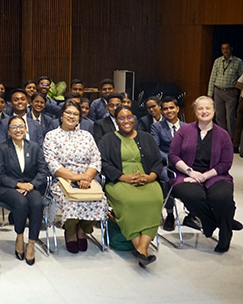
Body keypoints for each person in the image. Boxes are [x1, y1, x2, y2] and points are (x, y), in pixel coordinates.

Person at [169, 96, 239, 253]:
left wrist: (204, 176)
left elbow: (225, 163)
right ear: (195, 111)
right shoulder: (184, 131)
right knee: (192, 195)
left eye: (208, 108)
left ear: (214, 111)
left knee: (222, 197)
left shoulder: (223, 135)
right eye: (200, 108)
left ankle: (225, 234)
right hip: (186, 174)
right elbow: (173, 155)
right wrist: (190, 172)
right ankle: (219, 222)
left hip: (216, 175)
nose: (204, 111)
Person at [98, 106, 163, 267]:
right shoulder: (108, 139)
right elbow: (104, 163)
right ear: (116, 121)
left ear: (134, 119)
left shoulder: (147, 138)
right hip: (119, 181)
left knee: (154, 200)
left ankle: (141, 249)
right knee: (129, 202)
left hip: (146, 179)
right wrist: (124, 177)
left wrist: (150, 177)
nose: (126, 121)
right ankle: (141, 249)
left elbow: (157, 161)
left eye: (129, 117)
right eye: (121, 118)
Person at [43, 100, 107, 254]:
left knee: (99, 199)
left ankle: (83, 228)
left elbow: (96, 159)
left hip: (88, 178)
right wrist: (75, 178)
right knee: (71, 200)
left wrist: (87, 177)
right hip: (63, 179)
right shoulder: (52, 136)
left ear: (80, 117)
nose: (72, 116)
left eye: (75, 114)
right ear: (62, 115)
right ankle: (70, 230)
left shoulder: (87, 136)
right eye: (68, 113)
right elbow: (52, 163)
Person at [0, 115, 48, 265]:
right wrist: (18, 185)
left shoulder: (35, 147)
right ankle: (19, 235)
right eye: (14, 127)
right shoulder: (3, 148)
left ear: (26, 128)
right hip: (6, 187)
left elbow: (43, 171)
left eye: (21, 126)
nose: (18, 130)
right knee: (21, 203)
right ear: (8, 131)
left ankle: (31, 243)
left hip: (30, 186)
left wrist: (32, 185)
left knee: (37, 204)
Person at [151, 96, 186, 231]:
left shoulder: (186, 127)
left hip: (185, 164)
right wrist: (174, 160)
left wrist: (183, 163)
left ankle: (193, 213)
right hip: (165, 163)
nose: (169, 111)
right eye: (165, 109)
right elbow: (155, 148)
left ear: (177, 109)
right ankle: (170, 213)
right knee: (167, 178)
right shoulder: (157, 127)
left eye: (171, 108)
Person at [208, 43, 243, 137]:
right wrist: (210, 94)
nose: (225, 50)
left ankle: (231, 138)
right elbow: (212, 77)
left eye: (227, 48)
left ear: (231, 49)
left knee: (230, 117)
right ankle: (222, 136)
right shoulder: (217, 61)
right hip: (218, 91)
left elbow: (241, 78)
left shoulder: (238, 62)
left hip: (230, 92)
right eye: (223, 48)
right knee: (219, 116)